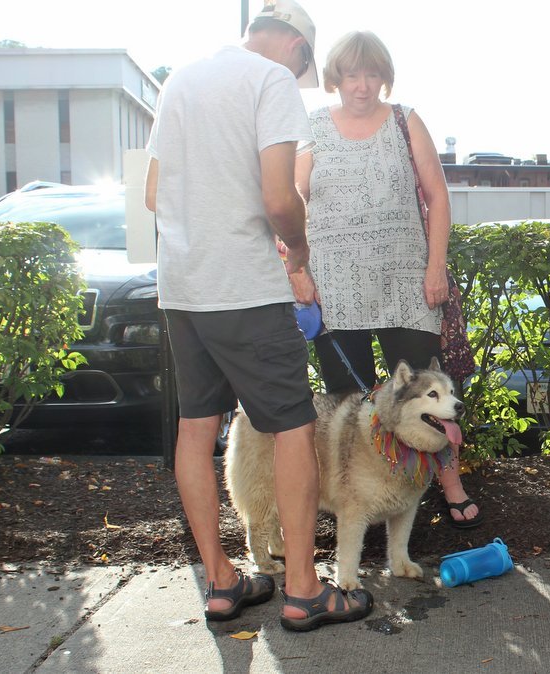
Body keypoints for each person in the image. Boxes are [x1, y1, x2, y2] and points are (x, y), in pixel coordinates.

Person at [145, 1, 372, 630]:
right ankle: (303, 590)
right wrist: (297, 250)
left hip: (183, 288)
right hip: (246, 288)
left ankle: (221, 582)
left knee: (196, 430)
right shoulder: (271, 81)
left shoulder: (181, 79)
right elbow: (279, 198)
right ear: (297, 48)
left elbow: (154, 193)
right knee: (293, 426)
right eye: (305, 68)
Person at [286, 30, 482, 529]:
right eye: (352, 74)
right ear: (336, 78)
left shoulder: (404, 119)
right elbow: (290, 200)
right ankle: (361, 495)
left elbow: (438, 196)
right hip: (334, 287)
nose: (362, 85)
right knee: (347, 400)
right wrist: (299, 272)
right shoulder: (311, 127)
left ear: (385, 78)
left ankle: (450, 485)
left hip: (407, 283)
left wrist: (435, 267)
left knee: (429, 390)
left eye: (372, 74)